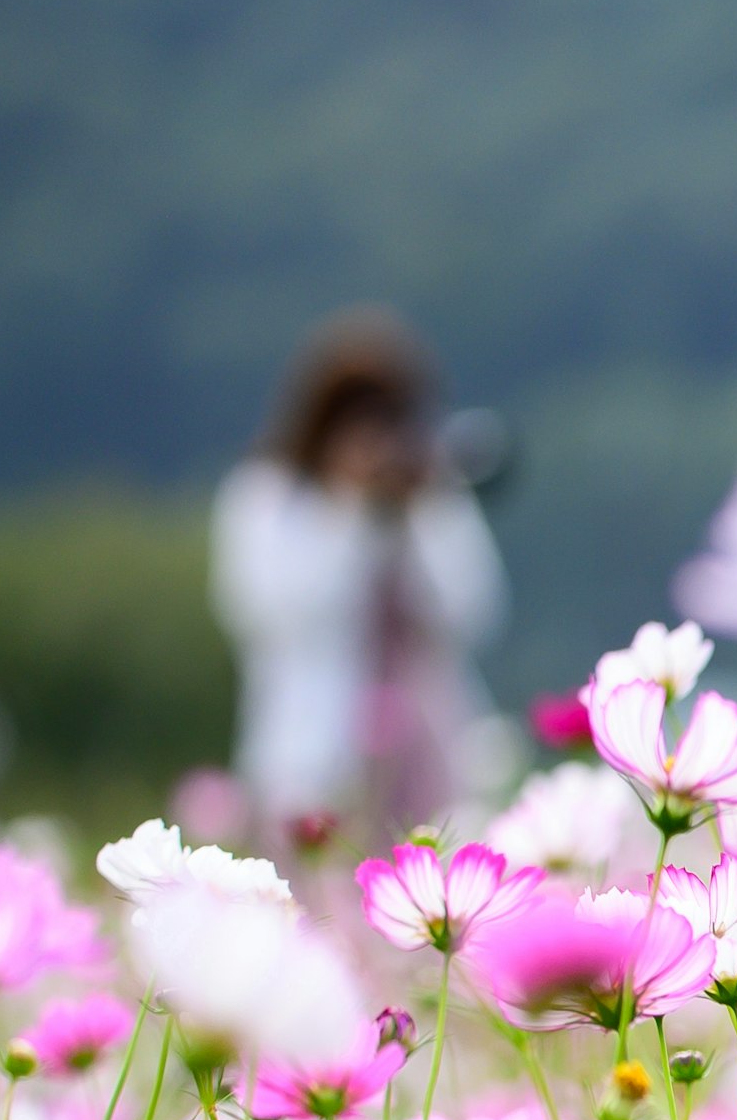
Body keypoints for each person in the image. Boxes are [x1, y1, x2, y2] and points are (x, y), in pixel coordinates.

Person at [211, 309, 512, 842]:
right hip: (315, 746)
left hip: (430, 739)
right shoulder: (270, 495)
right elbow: (268, 612)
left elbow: (472, 609)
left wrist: (413, 515)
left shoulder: (428, 493)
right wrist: (350, 512)